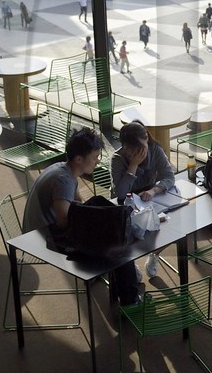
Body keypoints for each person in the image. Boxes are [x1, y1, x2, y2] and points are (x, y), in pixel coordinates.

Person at [23, 128, 140, 310]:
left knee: (111, 229)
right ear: (79, 159)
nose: (97, 161)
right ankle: (130, 301)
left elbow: (79, 203)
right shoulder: (64, 180)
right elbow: (63, 221)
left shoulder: (65, 169)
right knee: (116, 242)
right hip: (45, 237)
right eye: (94, 157)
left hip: (41, 229)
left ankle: (118, 280)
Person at [112, 120, 177, 281]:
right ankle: (130, 262)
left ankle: (155, 254)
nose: (134, 153)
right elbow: (120, 193)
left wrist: (154, 190)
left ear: (146, 138)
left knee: (172, 227)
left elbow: (169, 177)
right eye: (129, 149)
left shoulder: (155, 150)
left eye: (139, 148)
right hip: (125, 203)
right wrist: (133, 166)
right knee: (127, 233)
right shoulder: (118, 158)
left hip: (149, 200)